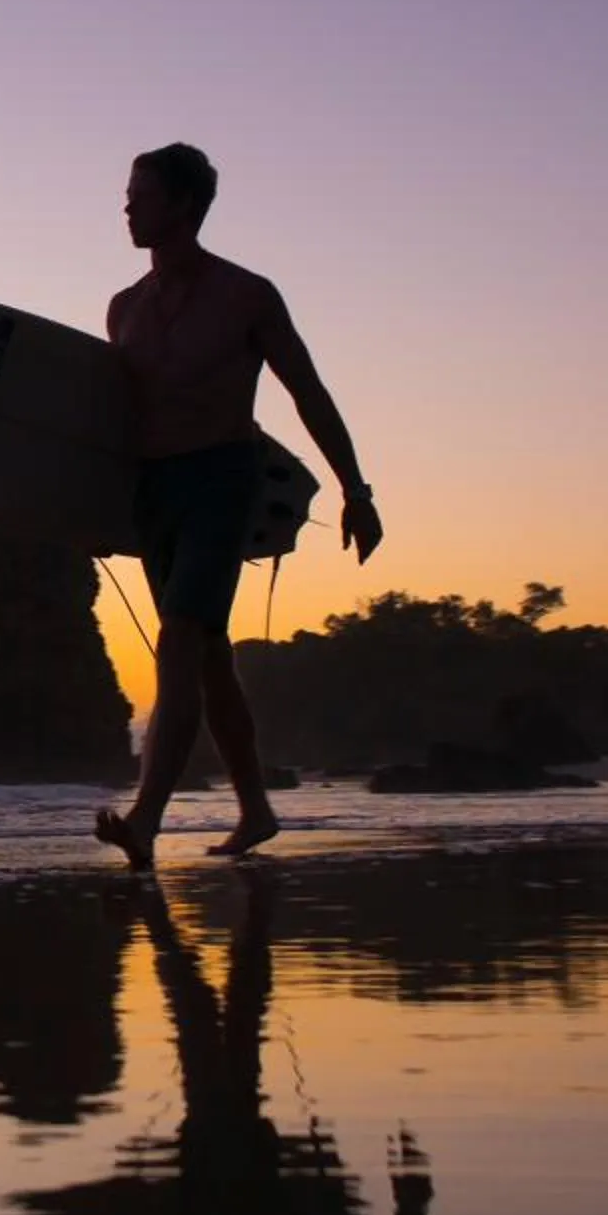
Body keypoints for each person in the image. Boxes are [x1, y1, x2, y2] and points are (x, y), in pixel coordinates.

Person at [95, 141, 382, 870]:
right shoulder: (123, 308)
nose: (127, 206)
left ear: (185, 205)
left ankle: (146, 822)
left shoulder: (246, 295)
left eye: (142, 194)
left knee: (182, 642)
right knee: (210, 659)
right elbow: (108, 421)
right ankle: (255, 808)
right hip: (153, 493)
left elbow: (307, 391)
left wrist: (355, 489)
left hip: (224, 477)